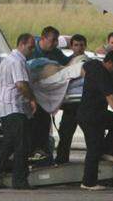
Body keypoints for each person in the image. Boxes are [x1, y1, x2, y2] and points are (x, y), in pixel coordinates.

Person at [0, 34, 37, 189]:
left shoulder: (9, 59)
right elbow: (21, 85)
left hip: (6, 107)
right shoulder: (17, 61)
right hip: (14, 107)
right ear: (21, 44)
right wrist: (32, 99)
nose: (32, 50)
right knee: (21, 145)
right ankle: (19, 180)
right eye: (30, 47)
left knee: (9, 143)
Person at [78, 51, 113, 191]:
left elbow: (83, 69)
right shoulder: (103, 74)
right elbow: (109, 96)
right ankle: (88, 182)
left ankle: (105, 150)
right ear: (110, 62)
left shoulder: (93, 64)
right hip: (90, 116)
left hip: (94, 114)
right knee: (93, 148)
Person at [30, 26, 71, 163]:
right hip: (31, 95)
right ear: (43, 38)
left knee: (44, 124)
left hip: (46, 96)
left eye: (56, 41)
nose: (54, 44)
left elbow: (67, 66)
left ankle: (43, 153)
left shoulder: (56, 53)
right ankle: (35, 151)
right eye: (52, 40)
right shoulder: (31, 50)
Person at [55, 34, 88, 165]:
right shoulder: (68, 61)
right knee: (65, 134)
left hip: (81, 103)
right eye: (76, 45)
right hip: (69, 104)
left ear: (85, 46)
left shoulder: (87, 62)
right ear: (71, 46)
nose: (79, 48)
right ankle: (61, 161)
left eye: (81, 45)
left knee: (89, 134)